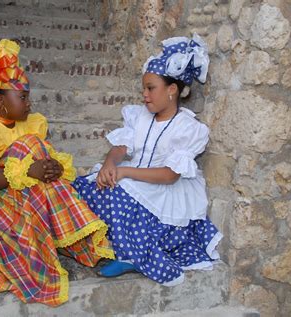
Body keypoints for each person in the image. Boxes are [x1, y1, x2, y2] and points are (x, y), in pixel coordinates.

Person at [0, 39, 114, 307]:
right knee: (29, 146)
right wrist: (30, 171)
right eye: (22, 97)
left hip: (26, 196)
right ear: (0, 101)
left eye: (28, 96)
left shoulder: (32, 125)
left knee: (37, 149)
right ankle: (78, 242)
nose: (29, 103)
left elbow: (39, 167)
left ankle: (81, 241)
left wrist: (53, 168)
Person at [72, 34, 222, 286]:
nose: (145, 95)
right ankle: (104, 245)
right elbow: (121, 147)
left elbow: (170, 175)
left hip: (167, 187)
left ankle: (133, 254)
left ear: (172, 90)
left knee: (117, 190)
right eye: (144, 88)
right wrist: (111, 163)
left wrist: (125, 172)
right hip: (140, 179)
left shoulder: (187, 128)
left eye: (151, 88)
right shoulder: (140, 117)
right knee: (89, 184)